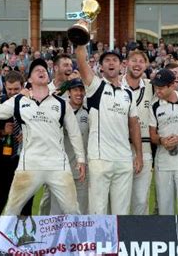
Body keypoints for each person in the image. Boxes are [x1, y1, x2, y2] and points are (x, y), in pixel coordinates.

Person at [0, 58, 86, 216]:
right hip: (29, 164)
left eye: (44, 70)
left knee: (72, 210)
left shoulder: (61, 104)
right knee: (11, 210)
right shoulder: (19, 101)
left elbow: (75, 133)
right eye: (37, 70)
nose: (42, 71)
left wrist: (81, 159)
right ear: (29, 79)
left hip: (57, 165)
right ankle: (0, 241)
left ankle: (74, 241)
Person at [75, 29, 143, 215]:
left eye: (115, 60)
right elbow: (81, 61)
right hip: (99, 159)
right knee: (98, 210)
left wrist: (139, 155)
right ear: (101, 67)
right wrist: (83, 35)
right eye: (107, 60)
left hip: (123, 159)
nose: (111, 63)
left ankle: (116, 245)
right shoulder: (95, 86)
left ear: (122, 66)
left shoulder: (128, 93)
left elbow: (134, 125)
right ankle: (97, 244)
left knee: (120, 212)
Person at [149, 68, 178, 215]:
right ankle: (166, 236)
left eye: (161, 87)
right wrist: (162, 140)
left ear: (172, 85)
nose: (158, 91)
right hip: (163, 162)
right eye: (156, 87)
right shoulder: (154, 105)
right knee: (164, 207)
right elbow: (152, 135)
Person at [44, 78, 90, 215]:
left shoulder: (89, 112)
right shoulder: (59, 110)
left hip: (81, 170)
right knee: (57, 212)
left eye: (81, 90)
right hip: (60, 169)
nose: (79, 93)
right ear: (69, 92)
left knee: (80, 210)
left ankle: (77, 236)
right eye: (75, 89)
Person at [0, 70, 34, 216]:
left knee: (25, 202)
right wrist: (3, 132)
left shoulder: (32, 103)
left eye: (16, 89)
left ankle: (25, 236)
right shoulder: (0, 103)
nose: (13, 92)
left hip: (25, 160)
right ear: (4, 86)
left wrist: (28, 134)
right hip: (3, 160)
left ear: (23, 86)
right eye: (9, 89)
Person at [121, 49, 155, 215]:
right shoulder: (115, 85)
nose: (137, 64)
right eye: (133, 60)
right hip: (119, 150)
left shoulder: (152, 87)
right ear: (126, 63)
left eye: (141, 61)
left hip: (145, 149)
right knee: (119, 200)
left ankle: (138, 236)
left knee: (141, 200)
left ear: (146, 65)